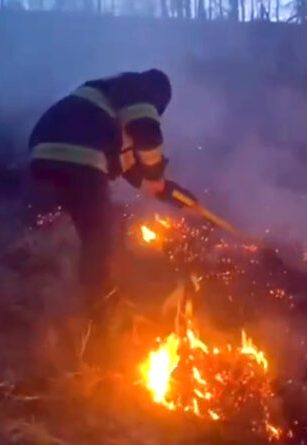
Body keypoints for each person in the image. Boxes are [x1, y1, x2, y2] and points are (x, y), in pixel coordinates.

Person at [28, 69, 196, 322]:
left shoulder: (109, 106)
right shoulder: (138, 87)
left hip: (42, 157)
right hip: (80, 156)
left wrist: (171, 193)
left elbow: (133, 170)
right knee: (100, 239)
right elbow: (148, 136)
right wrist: (156, 174)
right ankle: (99, 314)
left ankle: (55, 294)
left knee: (76, 228)